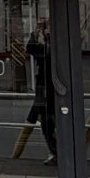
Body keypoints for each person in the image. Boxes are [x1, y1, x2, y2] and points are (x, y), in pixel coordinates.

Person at [25, 16, 58, 166]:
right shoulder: (48, 47)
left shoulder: (52, 48)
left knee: (48, 123)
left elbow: (33, 48)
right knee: (48, 124)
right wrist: (37, 32)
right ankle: (56, 152)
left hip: (48, 91)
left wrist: (38, 32)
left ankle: (56, 152)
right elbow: (31, 48)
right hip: (48, 90)